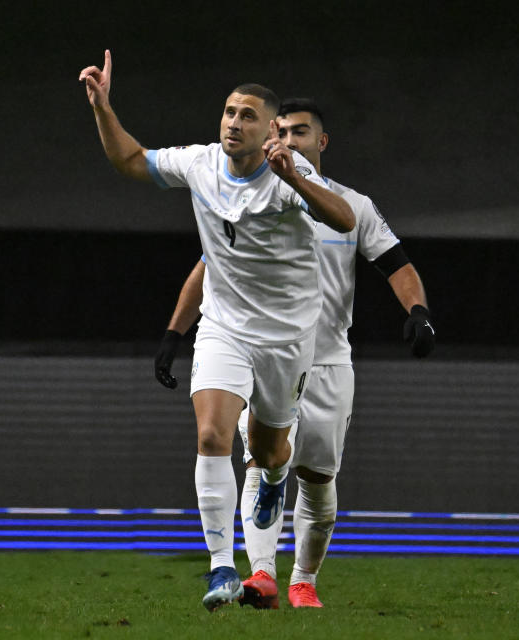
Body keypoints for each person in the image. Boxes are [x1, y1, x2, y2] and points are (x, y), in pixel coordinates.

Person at [79, 52, 355, 612]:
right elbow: (130, 159)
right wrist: (104, 108)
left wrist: (294, 180)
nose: (233, 122)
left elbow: (344, 220)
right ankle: (221, 569)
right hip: (224, 326)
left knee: (272, 452)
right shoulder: (201, 164)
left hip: (286, 338)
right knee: (211, 436)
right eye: (229, 112)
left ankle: (274, 474)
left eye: (247, 115)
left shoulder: (290, 174)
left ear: (270, 129)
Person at [155, 98, 434, 609]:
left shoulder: (352, 206)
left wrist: (418, 312)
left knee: (319, 478)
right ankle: (261, 573)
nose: (285, 139)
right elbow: (208, 269)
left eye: (299, 132)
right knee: (260, 460)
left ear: (320, 143)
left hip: (326, 361)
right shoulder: (254, 196)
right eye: (279, 130)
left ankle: (303, 578)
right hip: (266, 349)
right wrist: (175, 333)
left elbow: (398, 264)